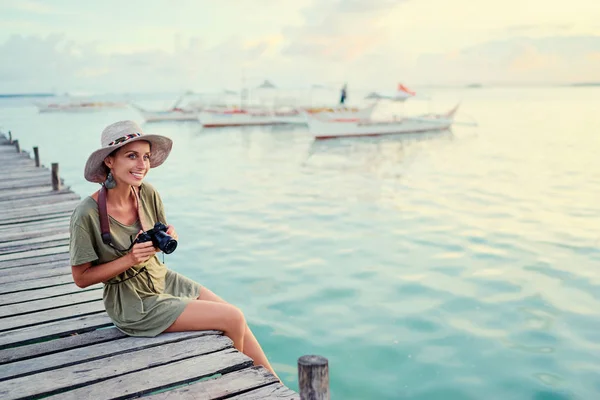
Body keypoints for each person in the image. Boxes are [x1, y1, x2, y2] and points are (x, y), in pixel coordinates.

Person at [69, 120, 278, 379]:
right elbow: (81, 278)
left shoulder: (147, 193)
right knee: (231, 318)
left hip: (161, 278)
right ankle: (238, 383)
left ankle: (277, 386)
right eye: (131, 156)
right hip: (132, 302)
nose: (141, 165)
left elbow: (157, 242)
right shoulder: (86, 213)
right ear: (109, 161)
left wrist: (165, 237)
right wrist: (130, 258)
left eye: (145, 157)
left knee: (237, 317)